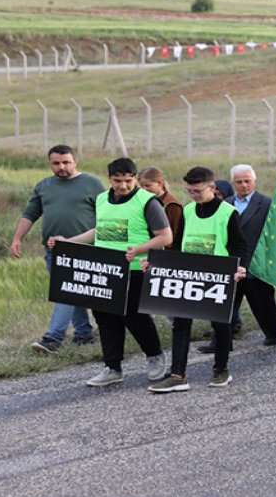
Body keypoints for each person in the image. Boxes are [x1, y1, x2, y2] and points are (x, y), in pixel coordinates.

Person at [46, 157, 171, 387]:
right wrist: (68, 242)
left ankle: (155, 356)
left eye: (127, 181)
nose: (122, 186)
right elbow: (99, 231)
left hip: (134, 269)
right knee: (105, 319)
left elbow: (165, 237)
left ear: (135, 178)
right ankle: (112, 367)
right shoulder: (102, 199)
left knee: (135, 317)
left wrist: (139, 250)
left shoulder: (148, 202)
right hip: (104, 269)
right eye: (117, 181)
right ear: (109, 179)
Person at [147, 166, 250, 393]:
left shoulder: (228, 212)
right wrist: (158, 264)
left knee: (221, 325)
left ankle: (221, 369)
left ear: (212, 187)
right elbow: (177, 244)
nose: (193, 195)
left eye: (197, 191)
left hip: (218, 276)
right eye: (189, 191)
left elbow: (239, 245)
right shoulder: (188, 211)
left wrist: (240, 267)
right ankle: (178, 374)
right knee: (181, 323)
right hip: (189, 275)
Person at [14, 145, 106, 353]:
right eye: (56, 163)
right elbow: (30, 213)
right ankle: (83, 334)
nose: (61, 167)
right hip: (54, 251)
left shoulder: (92, 184)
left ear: (75, 162)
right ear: (50, 164)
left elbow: (106, 218)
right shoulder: (44, 186)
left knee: (67, 293)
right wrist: (17, 238)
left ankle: (53, 338)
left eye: (66, 162)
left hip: (86, 250)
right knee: (73, 293)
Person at [221, 164, 276, 348]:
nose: (243, 185)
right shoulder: (226, 204)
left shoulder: (266, 203)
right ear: (233, 183)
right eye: (239, 182)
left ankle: (272, 334)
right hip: (231, 262)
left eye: (247, 181)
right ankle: (222, 340)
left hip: (257, 262)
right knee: (226, 304)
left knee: (263, 302)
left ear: (254, 181)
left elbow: (274, 233)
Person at [138, 166, 183, 241]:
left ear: (159, 183)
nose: (144, 189)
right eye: (141, 186)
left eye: (148, 186)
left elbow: (174, 236)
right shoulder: (141, 201)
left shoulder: (172, 205)